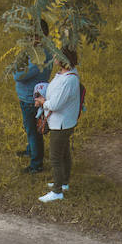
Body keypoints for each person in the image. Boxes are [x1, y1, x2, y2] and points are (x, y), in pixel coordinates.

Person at [35, 47, 80, 203]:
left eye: (56, 57)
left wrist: (42, 102)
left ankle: (57, 192)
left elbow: (55, 104)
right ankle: (63, 182)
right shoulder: (64, 74)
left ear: (63, 60)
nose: (53, 58)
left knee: (55, 157)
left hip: (60, 125)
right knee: (65, 153)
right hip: (62, 122)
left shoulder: (69, 80)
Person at [12, 19, 52, 174]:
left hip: (31, 99)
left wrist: (17, 64)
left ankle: (36, 164)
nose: (28, 38)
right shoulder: (41, 50)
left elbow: (19, 75)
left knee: (33, 131)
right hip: (28, 97)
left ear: (38, 36)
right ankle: (30, 150)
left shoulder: (38, 57)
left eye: (31, 35)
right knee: (29, 128)